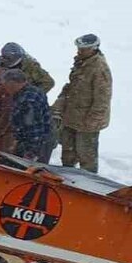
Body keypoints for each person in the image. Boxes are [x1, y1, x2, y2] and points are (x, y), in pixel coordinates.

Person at [52, 33, 112, 173]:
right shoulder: (81, 63)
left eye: (83, 49)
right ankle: (67, 177)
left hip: (87, 122)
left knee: (87, 157)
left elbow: (102, 99)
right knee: (68, 154)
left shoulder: (99, 68)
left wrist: (91, 123)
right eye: (79, 48)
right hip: (71, 117)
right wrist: (59, 104)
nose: (79, 51)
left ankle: (89, 182)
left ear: (93, 49)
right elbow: (71, 87)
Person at [2, 69, 53, 162]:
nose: (5, 89)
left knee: (32, 168)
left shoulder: (28, 100)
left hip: (37, 142)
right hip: (32, 139)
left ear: (13, 83)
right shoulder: (30, 91)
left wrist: (32, 152)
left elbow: (34, 128)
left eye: (6, 86)